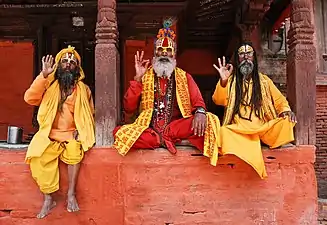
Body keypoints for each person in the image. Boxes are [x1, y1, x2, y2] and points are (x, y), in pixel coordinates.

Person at [113, 19, 220, 165]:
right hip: (150, 132)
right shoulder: (146, 76)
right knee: (118, 133)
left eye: (168, 51)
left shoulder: (184, 76)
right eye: (160, 51)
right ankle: (161, 140)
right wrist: (137, 79)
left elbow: (198, 101)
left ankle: (167, 137)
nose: (164, 53)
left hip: (175, 128)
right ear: (155, 54)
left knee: (209, 121)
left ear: (174, 55)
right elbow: (129, 108)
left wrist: (200, 112)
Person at [24, 46, 95, 218]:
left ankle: (71, 194)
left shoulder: (83, 90)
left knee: (74, 151)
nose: (68, 64)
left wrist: (82, 129)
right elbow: (30, 98)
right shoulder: (48, 84)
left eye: (72, 62)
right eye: (65, 61)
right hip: (50, 134)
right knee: (38, 157)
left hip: (71, 134)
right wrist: (43, 76)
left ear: (77, 67)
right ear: (58, 65)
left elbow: (89, 114)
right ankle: (49, 198)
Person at [212, 43, 296, 179]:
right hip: (240, 129)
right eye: (242, 54)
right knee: (222, 132)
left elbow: (279, 100)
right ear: (237, 59)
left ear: (254, 58)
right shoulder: (231, 81)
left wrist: (285, 111)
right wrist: (223, 81)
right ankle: (250, 145)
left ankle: (259, 141)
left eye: (249, 54)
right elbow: (218, 100)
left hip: (263, 127)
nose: (246, 57)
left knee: (287, 122)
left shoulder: (264, 81)